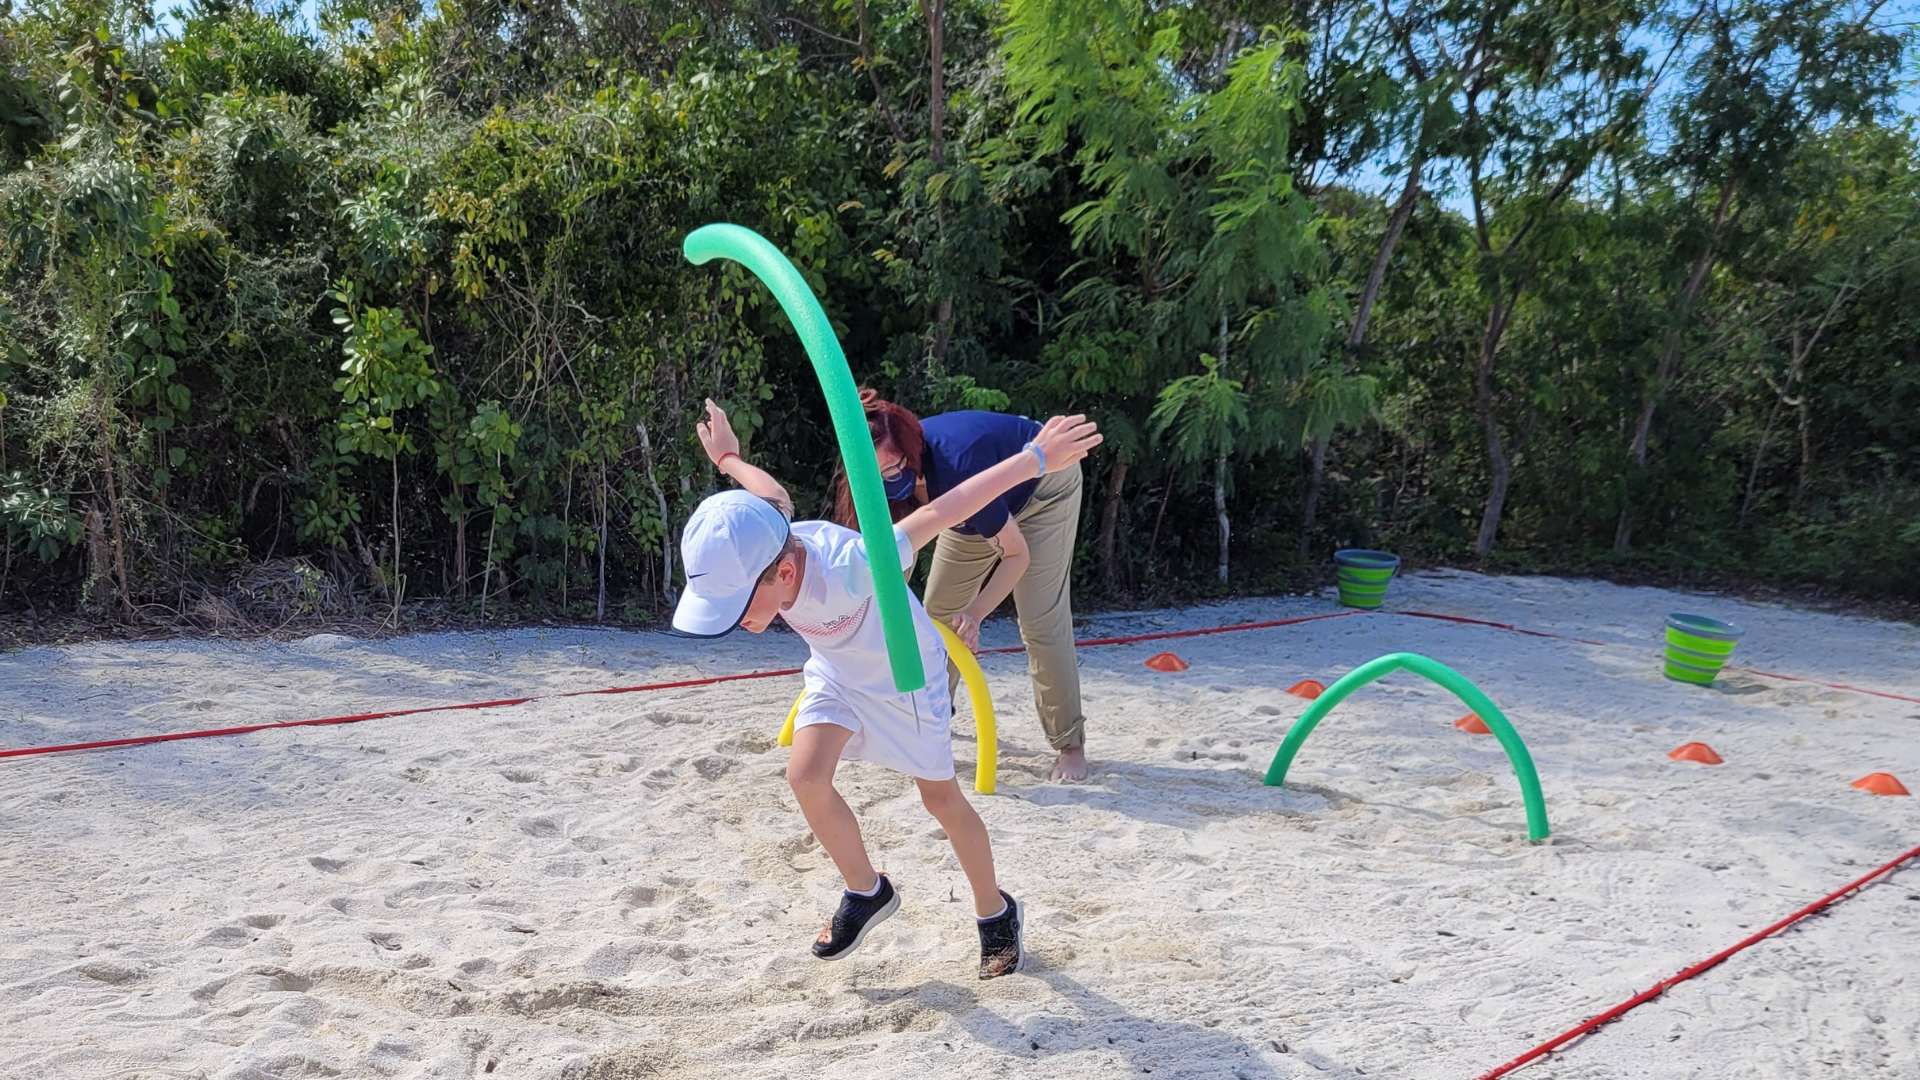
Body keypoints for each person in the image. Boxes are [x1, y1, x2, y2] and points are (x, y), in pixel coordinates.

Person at [675, 398, 1101, 979]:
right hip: (838, 672)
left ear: (785, 573)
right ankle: (867, 891)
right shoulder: (772, 532)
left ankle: (995, 912)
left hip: (906, 676)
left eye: (738, 606)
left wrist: (1034, 459)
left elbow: (947, 507)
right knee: (804, 775)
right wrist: (727, 457)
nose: (736, 621)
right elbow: (770, 491)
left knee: (941, 800)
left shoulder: (853, 565)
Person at [831, 392, 1091, 782]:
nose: (886, 482)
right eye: (875, 475)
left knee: (1040, 621)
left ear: (911, 451)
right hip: (966, 508)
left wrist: (976, 613)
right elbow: (889, 569)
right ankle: (931, 719)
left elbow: (1016, 555)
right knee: (935, 617)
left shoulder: (956, 467)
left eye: (892, 470)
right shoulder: (881, 487)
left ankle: (1070, 745)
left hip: (1041, 488)